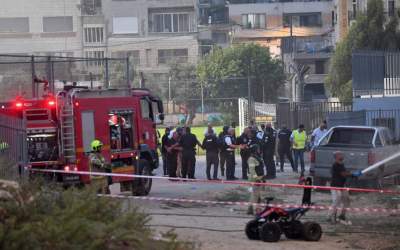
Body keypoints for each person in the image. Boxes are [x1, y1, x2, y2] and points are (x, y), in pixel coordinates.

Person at [329, 151, 362, 225]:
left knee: (347, 200)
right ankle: (332, 216)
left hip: (342, 186)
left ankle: (342, 216)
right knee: (337, 199)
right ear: (336, 156)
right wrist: (353, 174)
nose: (342, 155)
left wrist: (353, 174)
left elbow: (345, 172)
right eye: (340, 154)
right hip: (335, 186)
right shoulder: (335, 165)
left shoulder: (341, 164)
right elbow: (343, 174)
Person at [247, 144, 265, 215]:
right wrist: (256, 178)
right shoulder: (251, 159)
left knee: (257, 195)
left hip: (259, 178)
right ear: (255, 150)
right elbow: (252, 170)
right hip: (254, 179)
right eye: (258, 149)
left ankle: (253, 209)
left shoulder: (257, 157)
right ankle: (252, 209)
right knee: (255, 195)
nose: (259, 150)